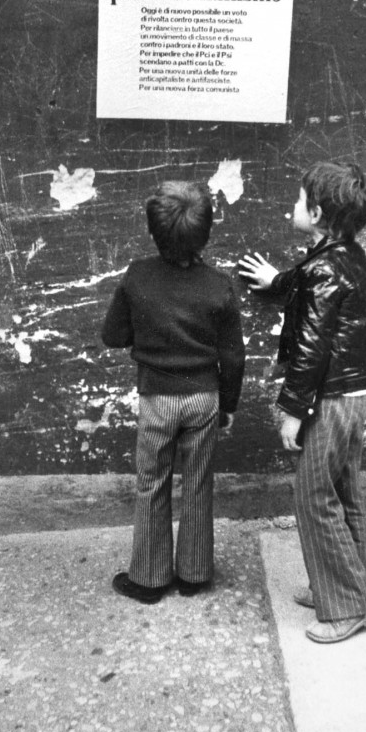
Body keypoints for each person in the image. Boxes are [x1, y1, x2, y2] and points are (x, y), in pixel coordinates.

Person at [239, 161, 366, 643]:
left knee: (312, 496)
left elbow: (310, 348)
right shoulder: (344, 255)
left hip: (332, 398)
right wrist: (278, 281)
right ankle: (345, 584)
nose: (292, 206)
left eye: (299, 201)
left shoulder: (324, 266)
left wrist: (293, 412)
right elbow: (308, 285)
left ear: (317, 212)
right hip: (354, 394)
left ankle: (350, 604)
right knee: (342, 494)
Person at [102, 180, 245, 604]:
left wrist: (147, 333)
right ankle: (194, 574)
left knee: (152, 481)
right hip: (204, 397)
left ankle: (148, 578)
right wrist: (229, 404)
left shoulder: (137, 277)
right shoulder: (219, 285)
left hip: (157, 398)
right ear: (206, 233)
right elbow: (233, 356)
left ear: (153, 231)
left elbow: (113, 335)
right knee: (199, 481)